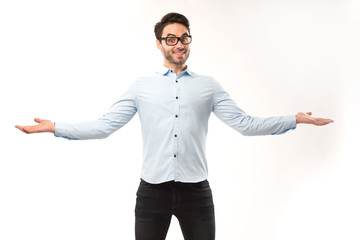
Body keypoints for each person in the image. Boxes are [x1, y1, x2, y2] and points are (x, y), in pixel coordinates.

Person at [15, 12, 333, 240]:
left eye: (184, 37)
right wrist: (55, 127)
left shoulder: (209, 86)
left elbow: (245, 124)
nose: (178, 44)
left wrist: (294, 119)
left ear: (189, 41)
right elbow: (104, 126)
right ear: (159, 44)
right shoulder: (141, 86)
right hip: (152, 192)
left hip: (197, 193)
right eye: (171, 38)